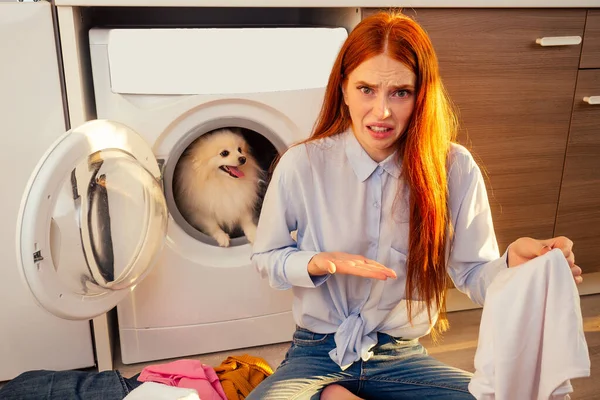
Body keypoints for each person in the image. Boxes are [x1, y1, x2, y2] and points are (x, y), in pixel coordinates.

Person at [247, 10, 582, 400]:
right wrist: (316, 262)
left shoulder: (454, 168)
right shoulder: (302, 164)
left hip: (398, 357)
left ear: (421, 94)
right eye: (366, 89)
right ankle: (333, 393)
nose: (382, 112)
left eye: (400, 92)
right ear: (343, 88)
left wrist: (515, 269)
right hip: (318, 352)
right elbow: (267, 256)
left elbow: (474, 274)